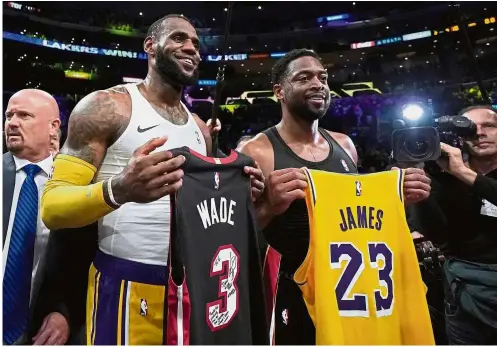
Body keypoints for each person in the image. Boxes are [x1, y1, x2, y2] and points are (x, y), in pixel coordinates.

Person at [40, 14, 264, 345]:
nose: (191, 48)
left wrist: (246, 193)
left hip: (192, 284)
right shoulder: (106, 107)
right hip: (124, 279)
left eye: (196, 45)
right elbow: (52, 207)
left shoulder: (202, 129)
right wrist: (119, 190)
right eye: (178, 39)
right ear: (150, 46)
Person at [238, 49, 432, 344]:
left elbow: (355, 213)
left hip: (349, 290)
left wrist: (394, 196)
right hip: (291, 289)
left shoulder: (345, 145)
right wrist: (268, 206)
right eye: (304, 78)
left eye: (323, 77)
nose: (318, 84)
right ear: (279, 91)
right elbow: (237, 237)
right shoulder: (257, 151)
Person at [414, 105, 497, 344]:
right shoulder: (447, 177)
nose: (479, 133)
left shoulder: (459, 173)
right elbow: (435, 232)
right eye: (471, 127)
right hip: (466, 295)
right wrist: (423, 182)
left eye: (489, 126)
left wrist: (463, 173)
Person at [2, 89, 69, 345]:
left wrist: (65, 313)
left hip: (39, 328)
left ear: (54, 128)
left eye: (24, 115)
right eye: (9, 115)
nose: (12, 122)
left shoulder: (73, 185)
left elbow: (82, 260)